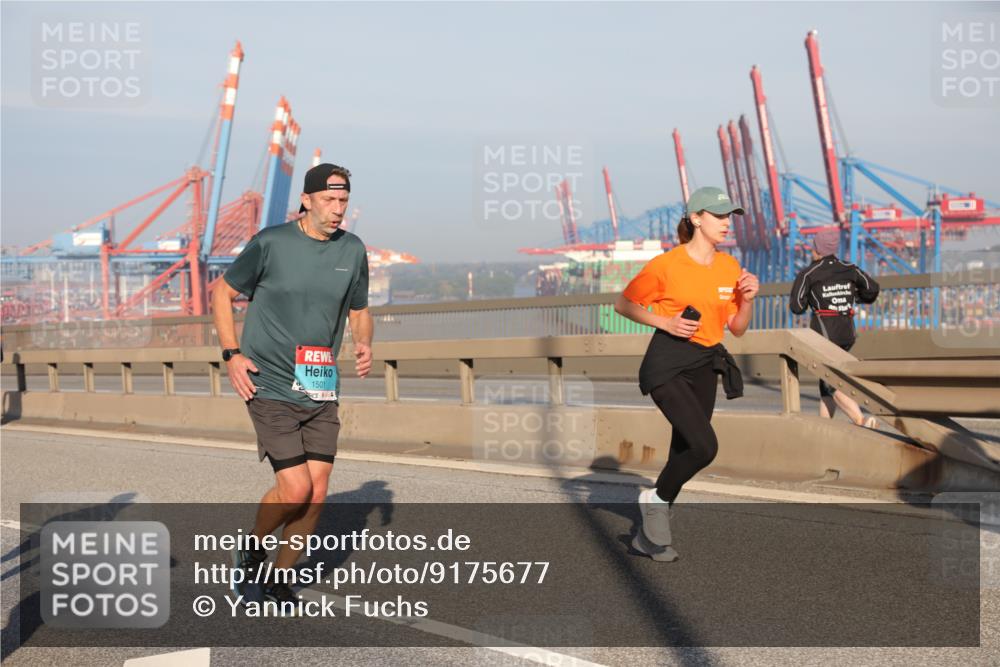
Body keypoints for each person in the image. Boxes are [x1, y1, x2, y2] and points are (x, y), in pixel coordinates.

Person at [212, 163, 373, 609]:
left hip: (319, 387)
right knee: (296, 489)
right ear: (307, 200)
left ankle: (281, 576)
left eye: (343, 201)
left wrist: (363, 342)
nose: (338, 210)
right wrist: (232, 354)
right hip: (269, 384)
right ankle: (252, 547)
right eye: (329, 200)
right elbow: (221, 293)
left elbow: (359, 309)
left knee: (318, 492)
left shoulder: (353, 250)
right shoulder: (271, 243)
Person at [614, 186, 759, 562]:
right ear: (696, 218)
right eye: (719, 216)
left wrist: (748, 300)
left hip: (705, 364)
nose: (727, 223)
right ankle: (656, 500)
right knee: (704, 446)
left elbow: (738, 328)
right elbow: (624, 304)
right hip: (667, 361)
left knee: (684, 448)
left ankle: (648, 539)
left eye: (730, 216)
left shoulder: (730, 267)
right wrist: (665, 321)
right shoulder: (667, 265)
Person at [789, 226, 880, 428]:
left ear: (817, 248)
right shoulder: (850, 268)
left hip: (823, 337)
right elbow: (873, 289)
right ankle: (824, 432)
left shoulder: (809, 273)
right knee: (825, 382)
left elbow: (796, 307)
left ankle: (861, 420)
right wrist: (854, 297)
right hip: (847, 333)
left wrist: (813, 302)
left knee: (830, 382)